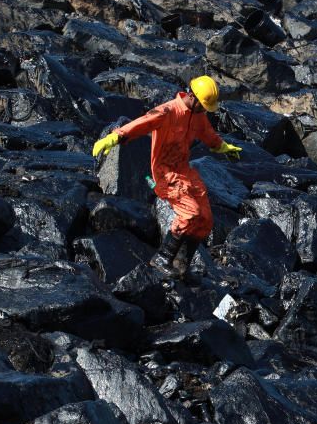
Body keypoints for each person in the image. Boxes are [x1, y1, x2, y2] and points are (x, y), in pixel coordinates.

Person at [91, 75, 242, 278]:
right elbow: (141, 123)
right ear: (193, 96)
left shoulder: (197, 115)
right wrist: (114, 137)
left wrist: (224, 147)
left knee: (205, 219)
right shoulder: (167, 111)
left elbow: (207, 134)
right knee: (190, 212)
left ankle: (181, 263)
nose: (205, 110)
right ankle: (162, 258)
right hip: (165, 172)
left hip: (184, 170)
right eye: (203, 106)